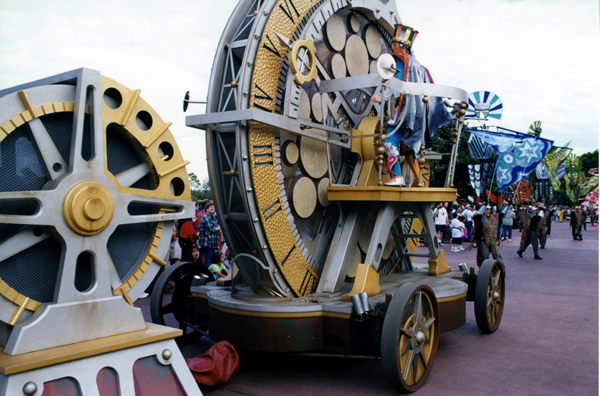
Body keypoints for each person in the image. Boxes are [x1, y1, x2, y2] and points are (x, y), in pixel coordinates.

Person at [370, 24, 450, 187]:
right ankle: (420, 181)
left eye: (394, 44)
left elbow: (397, 84)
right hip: (419, 115)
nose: (392, 47)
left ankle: (397, 176)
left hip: (406, 113)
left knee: (389, 141)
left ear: (402, 46)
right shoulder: (419, 66)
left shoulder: (401, 61)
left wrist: (382, 97)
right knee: (410, 147)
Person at [198, 201, 221, 269]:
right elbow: (212, 229)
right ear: (206, 209)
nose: (213, 209)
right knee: (208, 259)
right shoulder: (205, 217)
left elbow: (216, 227)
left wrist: (217, 228)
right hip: (207, 241)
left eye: (213, 208)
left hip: (212, 242)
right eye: (211, 207)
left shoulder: (212, 217)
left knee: (211, 259)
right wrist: (220, 227)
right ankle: (207, 274)